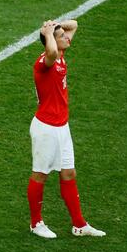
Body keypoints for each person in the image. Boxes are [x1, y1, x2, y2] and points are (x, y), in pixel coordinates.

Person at [27, 19, 106, 239]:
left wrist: (55, 25)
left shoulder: (60, 55)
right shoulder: (46, 61)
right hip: (46, 128)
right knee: (40, 174)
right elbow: (50, 49)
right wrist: (50, 34)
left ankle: (79, 225)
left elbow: (75, 24)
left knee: (69, 173)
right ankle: (36, 223)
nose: (67, 37)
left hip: (62, 126)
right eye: (61, 36)